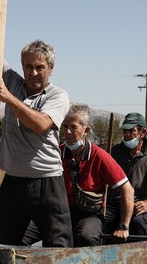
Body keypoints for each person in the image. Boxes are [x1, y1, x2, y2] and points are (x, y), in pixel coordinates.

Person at [0, 0, 72, 247]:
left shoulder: (57, 95)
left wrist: (8, 98)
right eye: (28, 67)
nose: (33, 73)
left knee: (58, 247)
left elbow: (41, 124)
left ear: (50, 68)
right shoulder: (14, 82)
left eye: (39, 67)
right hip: (14, 180)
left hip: (47, 182)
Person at [22, 104, 134, 247]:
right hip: (57, 212)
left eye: (74, 127)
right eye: (65, 126)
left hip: (89, 215)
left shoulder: (99, 156)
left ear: (86, 130)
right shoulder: (55, 153)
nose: (68, 132)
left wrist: (123, 227)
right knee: (21, 235)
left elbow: (127, 190)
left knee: (87, 237)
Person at [109, 111, 147, 235]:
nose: (126, 134)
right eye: (124, 131)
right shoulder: (113, 152)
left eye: (131, 131)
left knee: (138, 224)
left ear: (143, 133)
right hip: (113, 205)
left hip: (137, 206)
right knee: (100, 223)